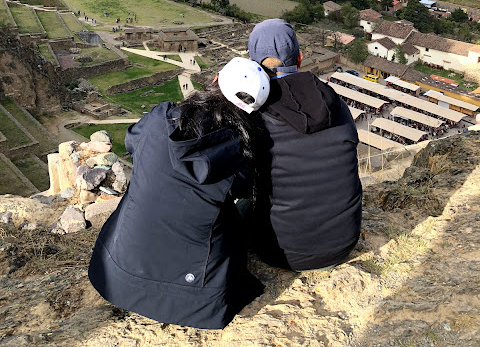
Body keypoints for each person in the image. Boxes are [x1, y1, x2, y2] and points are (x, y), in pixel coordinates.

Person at [88, 57, 269, 329]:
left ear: (214, 81)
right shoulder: (239, 153)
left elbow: (132, 143)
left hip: (116, 276)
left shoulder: (161, 119)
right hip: (195, 302)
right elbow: (244, 190)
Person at [247, 19, 362, 271]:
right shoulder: (334, 102)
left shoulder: (254, 114)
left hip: (280, 253)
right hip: (343, 243)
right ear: (299, 59)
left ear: (251, 66)